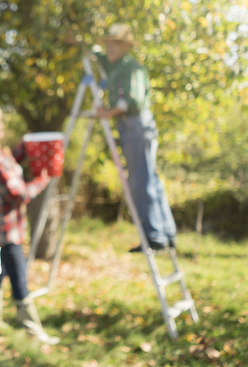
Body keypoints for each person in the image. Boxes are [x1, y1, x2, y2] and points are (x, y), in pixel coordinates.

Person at [0, 106, 60, 345]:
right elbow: (18, 193)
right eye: (1, 124)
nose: (4, 127)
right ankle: (31, 328)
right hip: (7, 228)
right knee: (19, 276)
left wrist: (19, 150)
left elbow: (0, 169)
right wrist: (41, 180)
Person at [93, 23, 178, 252]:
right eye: (107, 43)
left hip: (136, 125)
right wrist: (80, 44)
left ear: (125, 46)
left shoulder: (131, 67)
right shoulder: (115, 65)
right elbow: (97, 55)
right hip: (135, 126)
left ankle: (155, 236)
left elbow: (132, 100)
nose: (109, 47)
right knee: (151, 178)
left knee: (141, 181)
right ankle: (166, 233)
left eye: (114, 43)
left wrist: (106, 113)